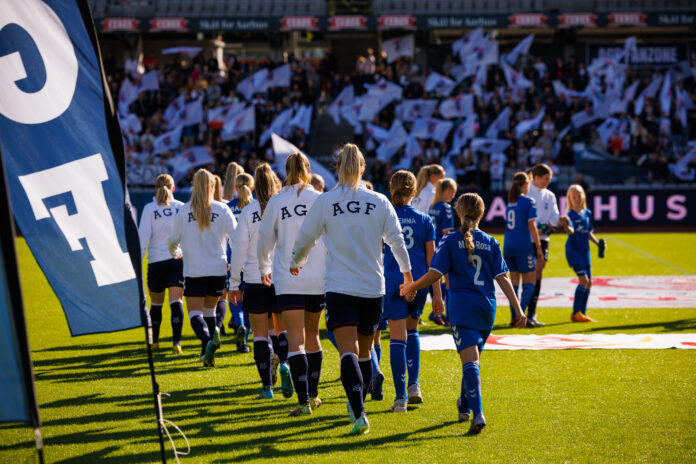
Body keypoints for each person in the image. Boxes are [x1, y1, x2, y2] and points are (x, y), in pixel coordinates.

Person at [291, 144, 412, 435]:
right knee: (365, 352)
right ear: (362, 168)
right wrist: (408, 275)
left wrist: (297, 261)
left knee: (348, 351)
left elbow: (306, 238)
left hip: (340, 287)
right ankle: (358, 406)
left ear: (337, 169)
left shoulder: (325, 201)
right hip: (372, 287)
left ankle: (359, 413)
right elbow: (397, 241)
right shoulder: (379, 200)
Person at [400, 193, 527, 435]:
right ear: (482, 213)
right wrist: (518, 309)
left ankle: (478, 413)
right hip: (486, 309)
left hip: (462, 309)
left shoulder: (449, 241)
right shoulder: (491, 242)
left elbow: (435, 273)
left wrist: (411, 286)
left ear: (458, 213)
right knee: (473, 360)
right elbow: (503, 278)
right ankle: (464, 406)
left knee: (470, 362)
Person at [258, 152, 327, 416]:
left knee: (295, 339)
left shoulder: (277, 201)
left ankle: (303, 402)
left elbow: (264, 240)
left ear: (286, 172)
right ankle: (314, 394)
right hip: (317, 277)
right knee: (313, 336)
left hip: (287, 278)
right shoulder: (320, 199)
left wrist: (263, 268)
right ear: (308, 170)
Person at [383, 170, 444, 412]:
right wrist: (437, 294)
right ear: (415, 192)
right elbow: (433, 262)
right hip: (419, 282)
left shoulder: (385, 217)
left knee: (397, 337)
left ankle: (400, 399)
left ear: (391, 190)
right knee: (413, 330)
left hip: (393, 281)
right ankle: (414, 385)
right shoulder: (424, 220)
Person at [229, 164, 289, 398]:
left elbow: (238, 250)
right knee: (280, 330)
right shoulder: (284, 207)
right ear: (275, 183)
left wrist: (235, 283)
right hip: (280, 277)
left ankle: (267, 388)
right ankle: (285, 364)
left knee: (260, 335)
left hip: (255, 278)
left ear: (255, 185)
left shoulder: (248, 212)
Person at [168, 169, 237, 367]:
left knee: (195, 314)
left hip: (194, 270)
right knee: (209, 312)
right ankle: (206, 354)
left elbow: (172, 241)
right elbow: (237, 237)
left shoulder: (185, 210)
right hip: (218, 269)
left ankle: (207, 342)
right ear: (213, 187)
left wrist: (175, 252)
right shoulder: (222, 209)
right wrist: (236, 262)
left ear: (194, 186)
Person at [138, 174, 185, 354]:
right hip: (177, 260)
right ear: (173, 188)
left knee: (156, 305)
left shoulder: (149, 208)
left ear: (155, 188)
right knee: (176, 302)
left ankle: (154, 342)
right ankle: (176, 343)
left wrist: (138, 260)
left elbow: (143, 236)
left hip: (156, 262)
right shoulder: (181, 207)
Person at [526, 164, 573, 327]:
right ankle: (519, 313)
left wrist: (561, 220)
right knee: (526, 275)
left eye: (550, 179)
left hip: (544, 239)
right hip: (527, 239)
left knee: (538, 272)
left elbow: (554, 218)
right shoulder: (526, 192)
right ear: (537, 177)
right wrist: (535, 227)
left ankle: (532, 313)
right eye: (546, 178)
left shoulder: (550, 195)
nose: (549, 182)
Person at [503, 172, 543, 325]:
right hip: (523, 246)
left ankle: (514, 315)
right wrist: (538, 247)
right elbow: (532, 226)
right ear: (526, 184)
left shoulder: (511, 202)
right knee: (530, 282)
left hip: (508, 245)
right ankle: (520, 316)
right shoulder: (528, 201)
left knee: (513, 283)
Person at [565, 184, 605, 322]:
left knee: (589, 283)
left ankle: (582, 312)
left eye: (579, 196)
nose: (577, 199)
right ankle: (576, 312)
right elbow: (570, 231)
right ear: (570, 199)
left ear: (583, 196)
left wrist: (597, 243)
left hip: (585, 251)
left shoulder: (587, 213)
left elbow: (588, 232)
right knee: (584, 280)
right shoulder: (570, 215)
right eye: (574, 197)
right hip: (574, 251)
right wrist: (565, 226)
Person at [227, 173, 254, 352]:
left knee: (234, 296)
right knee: (250, 300)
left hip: (233, 259)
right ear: (252, 187)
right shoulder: (257, 206)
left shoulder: (227, 208)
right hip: (252, 259)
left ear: (235, 188)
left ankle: (240, 324)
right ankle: (245, 338)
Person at [428, 177, 457, 326]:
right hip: (443, 247)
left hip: (433, 247)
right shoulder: (446, 207)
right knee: (449, 282)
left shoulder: (433, 206)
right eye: (453, 191)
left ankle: (436, 312)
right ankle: (449, 318)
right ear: (448, 190)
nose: (454, 195)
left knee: (437, 281)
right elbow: (447, 232)